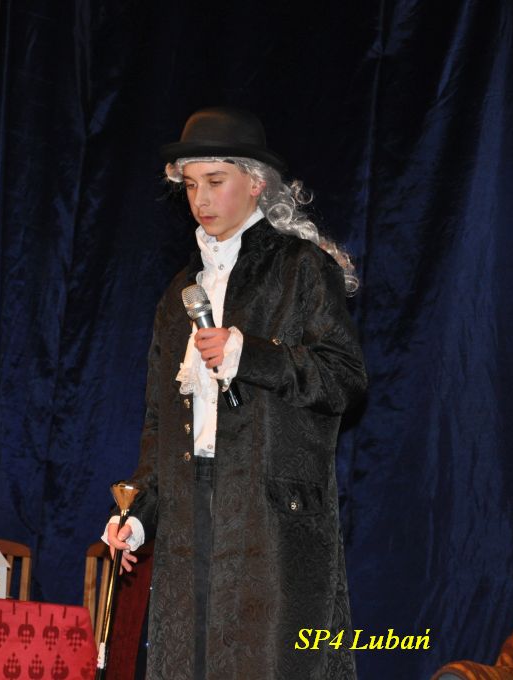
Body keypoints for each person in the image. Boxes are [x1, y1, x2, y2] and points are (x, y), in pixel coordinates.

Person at [104, 107, 367, 679]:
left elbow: (346, 379)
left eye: (215, 181)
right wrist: (141, 514)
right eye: (190, 185)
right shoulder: (181, 290)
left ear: (256, 183)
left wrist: (252, 355)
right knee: (189, 662)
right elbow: (160, 420)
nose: (201, 199)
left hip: (268, 516)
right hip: (189, 505)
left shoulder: (301, 268)